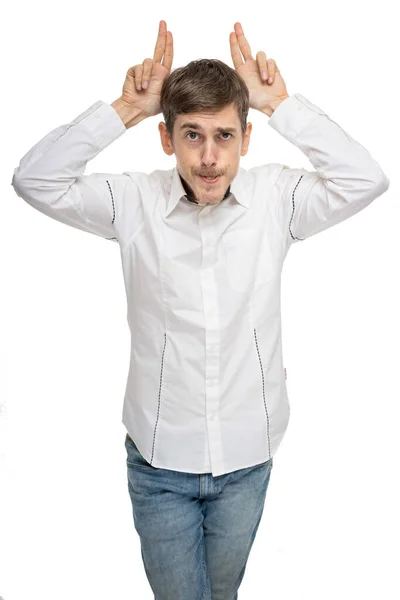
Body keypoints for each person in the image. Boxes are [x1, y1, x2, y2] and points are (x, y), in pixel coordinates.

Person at [11, 19, 390, 600]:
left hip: (248, 460)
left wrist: (278, 103)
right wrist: (125, 108)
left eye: (224, 136)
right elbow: (34, 180)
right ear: (168, 140)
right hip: (160, 464)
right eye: (192, 135)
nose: (210, 157)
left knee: (223, 594)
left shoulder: (277, 200)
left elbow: (365, 179)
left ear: (245, 138)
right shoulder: (133, 202)